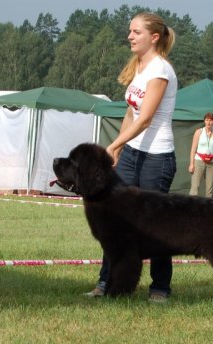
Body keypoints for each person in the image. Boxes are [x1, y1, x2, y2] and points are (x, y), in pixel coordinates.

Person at [86, 12, 177, 302]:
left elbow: (146, 118)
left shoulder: (160, 70)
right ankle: (106, 283)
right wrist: (120, 148)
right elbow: (131, 113)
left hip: (157, 158)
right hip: (132, 153)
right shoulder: (139, 66)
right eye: (129, 31)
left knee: (156, 225)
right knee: (113, 221)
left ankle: (160, 288)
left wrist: (112, 146)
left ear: (153, 37)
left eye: (136, 32)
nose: (129, 36)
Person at [188, 112, 213, 197]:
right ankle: (191, 207)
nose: (209, 122)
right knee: (195, 186)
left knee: (209, 188)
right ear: (204, 121)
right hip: (199, 160)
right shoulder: (199, 131)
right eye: (207, 120)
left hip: (212, 162)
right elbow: (193, 149)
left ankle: (208, 208)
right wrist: (191, 164)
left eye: (211, 120)